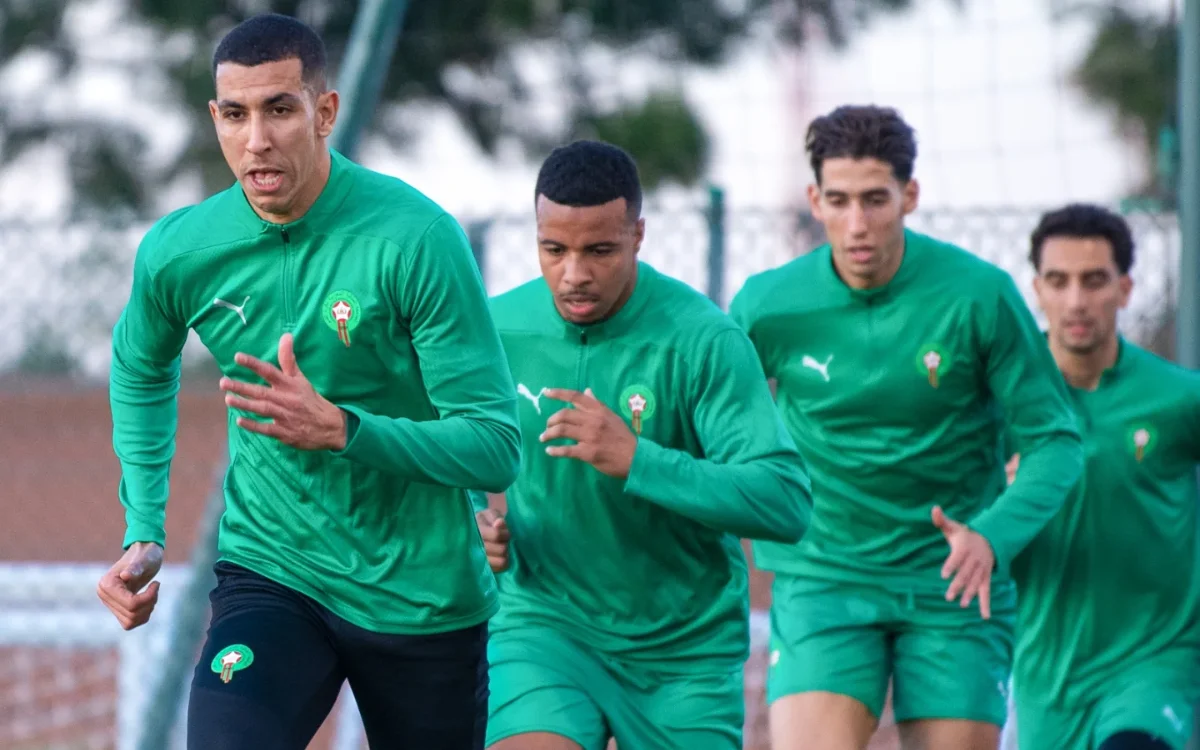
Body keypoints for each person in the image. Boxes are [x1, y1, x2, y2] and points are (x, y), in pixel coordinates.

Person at [96, 13, 520, 750]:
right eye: (236, 114)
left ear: (325, 112)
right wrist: (144, 527)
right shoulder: (180, 251)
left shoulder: (414, 239)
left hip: (421, 596)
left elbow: (493, 447)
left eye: (280, 109)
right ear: (215, 119)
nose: (256, 139)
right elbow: (139, 366)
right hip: (274, 568)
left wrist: (345, 431)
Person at [728, 104, 1085, 750]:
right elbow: (701, 423)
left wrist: (993, 536)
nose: (857, 224)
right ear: (814, 199)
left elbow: (1056, 443)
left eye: (875, 200)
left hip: (953, 580)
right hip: (824, 578)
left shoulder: (980, 296)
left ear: (909, 195)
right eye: (838, 201)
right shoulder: (768, 304)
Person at [474, 139, 813, 750]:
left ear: (638, 235)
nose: (574, 273)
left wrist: (639, 459)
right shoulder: (498, 328)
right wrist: (468, 517)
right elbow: (444, 443)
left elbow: (784, 501)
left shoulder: (704, 339)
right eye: (554, 250)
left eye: (599, 250)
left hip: (683, 650)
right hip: (543, 625)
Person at [1006, 203, 1200, 750]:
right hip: (1048, 679)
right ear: (1037, 289)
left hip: (1156, 662)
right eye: (1059, 281)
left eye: (1094, 281)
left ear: (1125, 288)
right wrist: (999, 500)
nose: (1076, 301)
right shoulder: (1001, 407)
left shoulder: (1178, 398)